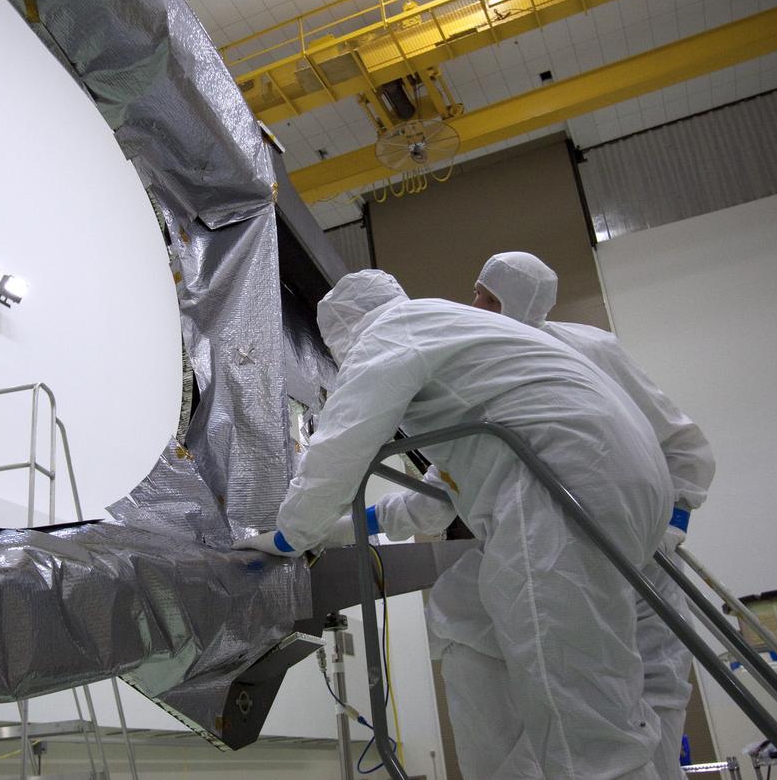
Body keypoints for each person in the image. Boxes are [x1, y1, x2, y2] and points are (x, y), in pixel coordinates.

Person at [235, 269, 673, 779]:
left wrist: (292, 533)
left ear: (342, 333)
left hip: (559, 500)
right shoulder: (453, 336)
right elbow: (443, 495)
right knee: (470, 617)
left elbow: (342, 443)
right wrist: (352, 525)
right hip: (619, 491)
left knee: (580, 720)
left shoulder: (388, 332)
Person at [474, 250, 716, 779]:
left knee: (642, 689)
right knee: (599, 697)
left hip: (631, 546)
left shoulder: (586, 348)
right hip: (596, 546)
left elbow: (679, 439)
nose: (476, 306)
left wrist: (674, 523)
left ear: (521, 302)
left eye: (489, 298)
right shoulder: (496, 360)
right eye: (478, 294)